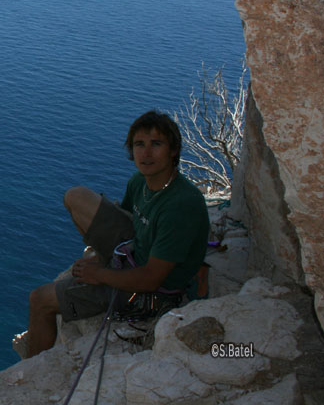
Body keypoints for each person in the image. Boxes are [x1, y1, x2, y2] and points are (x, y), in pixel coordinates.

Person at [19, 110, 210, 359]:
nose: (146, 153)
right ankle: (107, 260)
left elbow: (151, 279)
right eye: (139, 144)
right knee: (75, 196)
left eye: (157, 144)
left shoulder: (180, 206)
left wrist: (99, 274)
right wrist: (102, 256)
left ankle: (32, 372)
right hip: (135, 253)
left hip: (152, 292)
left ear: (173, 150)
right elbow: (127, 220)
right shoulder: (140, 182)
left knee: (40, 300)